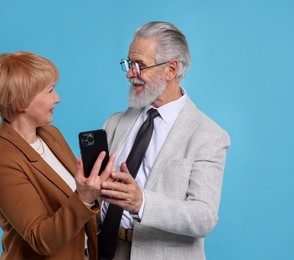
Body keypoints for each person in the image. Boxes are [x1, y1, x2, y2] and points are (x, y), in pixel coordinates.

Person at [97, 21, 230, 260]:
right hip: (105, 249)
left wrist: (142, 202)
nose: (130, 74)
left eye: (139, 66)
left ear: (171, 69)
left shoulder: (208, 136)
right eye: (129, 63)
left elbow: (204, 216)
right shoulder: (114, 123)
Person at [0, 51, 114, 260]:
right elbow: (41, 239)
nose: (58, 98)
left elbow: (68, 195)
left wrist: (96, 187)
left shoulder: (50, 134)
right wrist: (85, 197)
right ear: (21, 101)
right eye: (50, 91)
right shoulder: (0, 161)